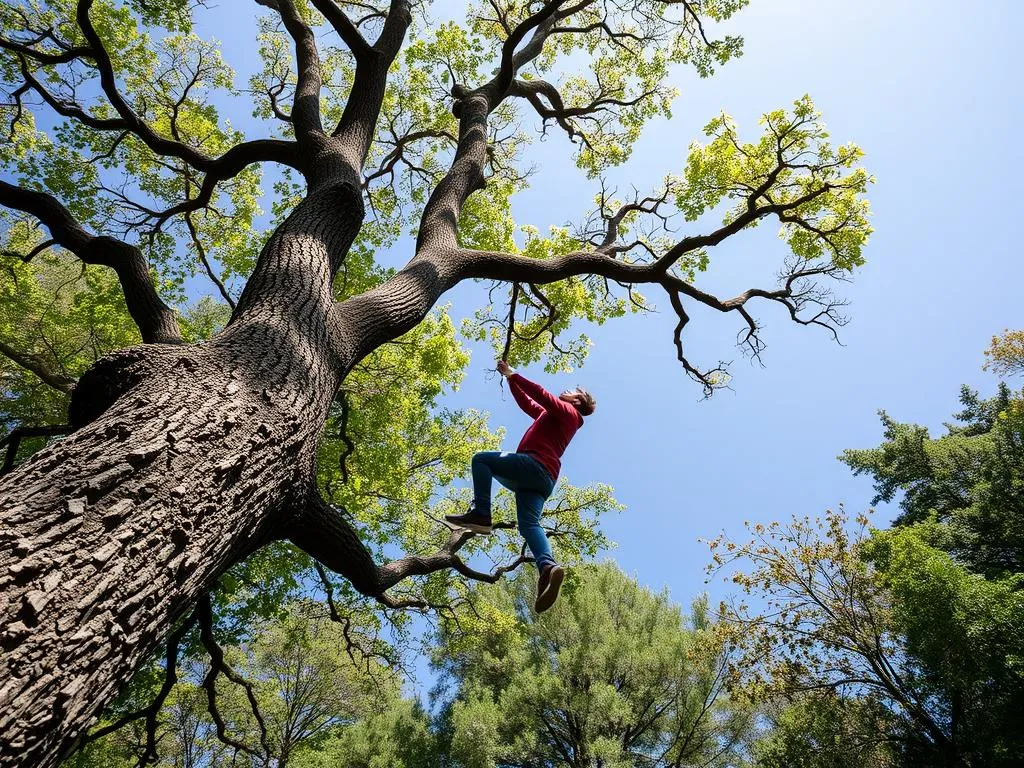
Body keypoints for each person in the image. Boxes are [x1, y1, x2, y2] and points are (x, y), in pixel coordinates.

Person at [446, 360, 596, 613]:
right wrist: (509, 378)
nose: (566, 390)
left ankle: (482, 514)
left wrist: (514, 373)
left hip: (535, 466)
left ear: (577, 402)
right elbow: (529, 404)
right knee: (529, 526)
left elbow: (541, 394)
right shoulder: (554, 416)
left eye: (572, 391)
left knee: (482, 460)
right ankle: (547, 567)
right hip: (540, 481)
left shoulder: (569, 414)